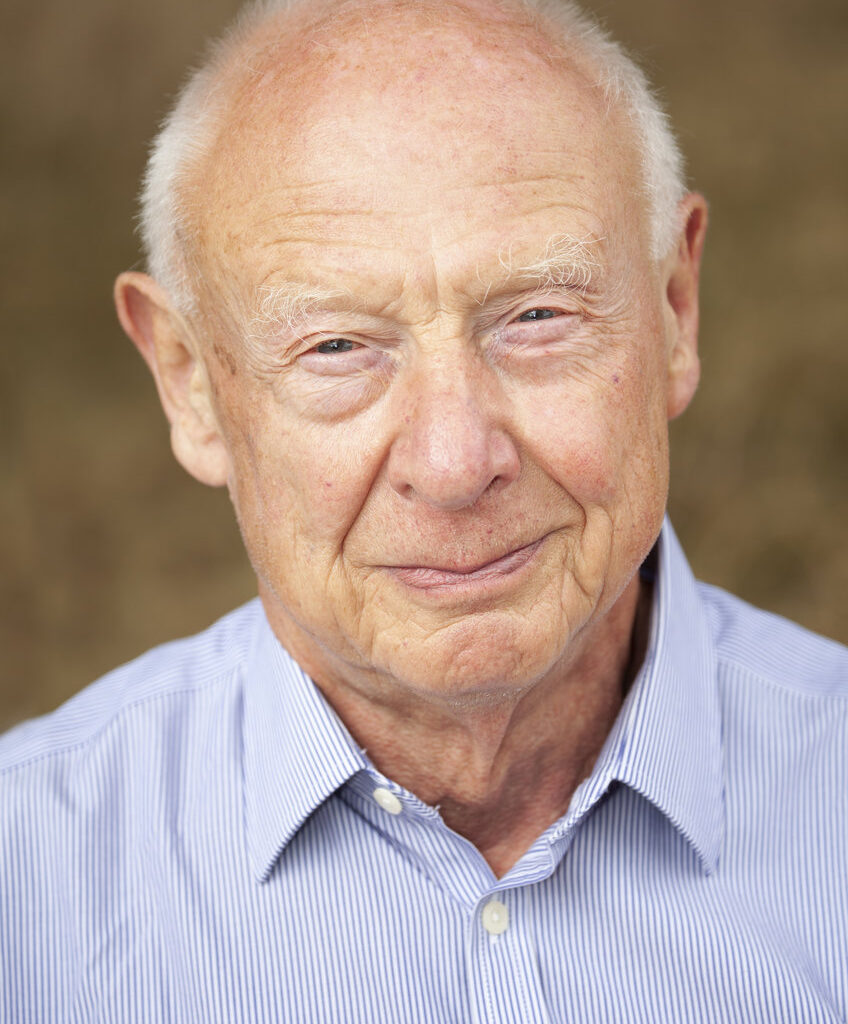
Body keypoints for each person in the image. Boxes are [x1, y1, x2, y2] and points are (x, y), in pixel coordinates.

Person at [2, 0, 846, 1019]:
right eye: (336, 347)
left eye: (536, 316)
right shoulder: (28, 888)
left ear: (673, 306)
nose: (454, 463)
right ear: (188, 383)